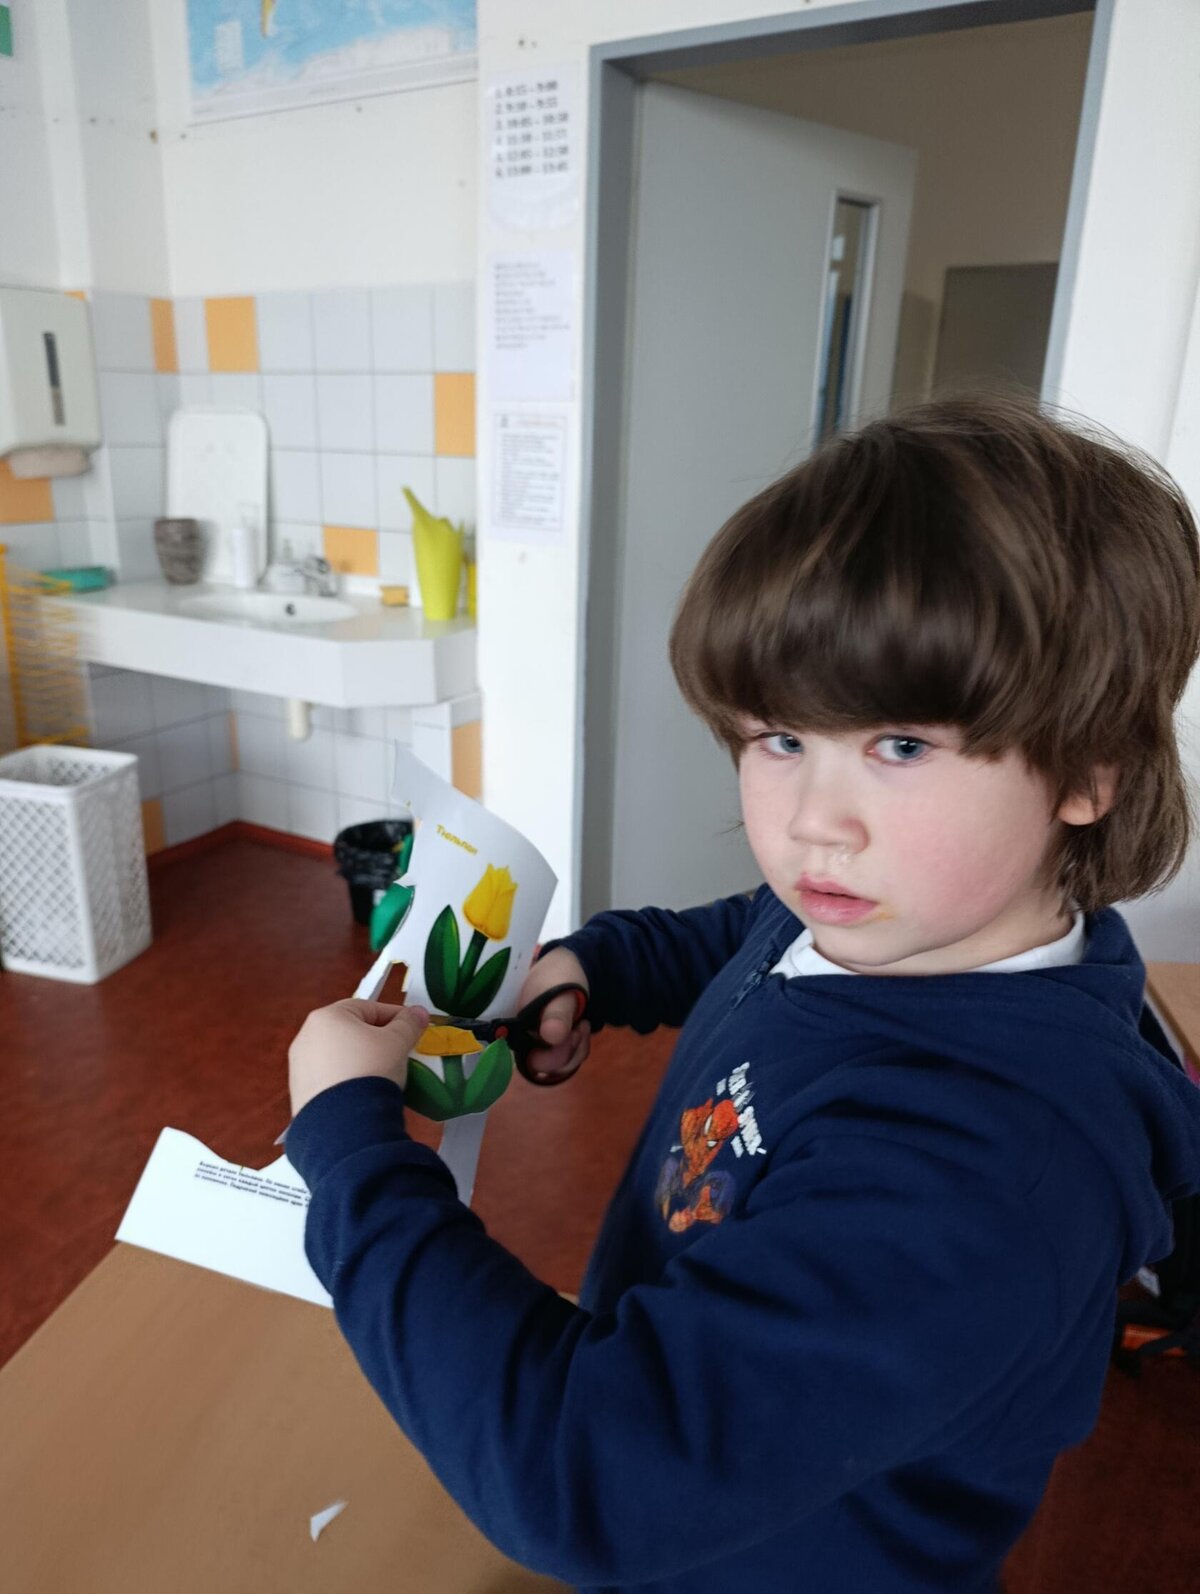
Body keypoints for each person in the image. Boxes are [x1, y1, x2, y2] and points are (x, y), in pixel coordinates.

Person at [286, 393, 1200, 1592]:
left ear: (1087, 770)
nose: (813, 822)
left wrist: (352, 1150)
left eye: (901, 745)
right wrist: (599, 967)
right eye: (778, 737)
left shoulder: (976, 1170)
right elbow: (746, 935)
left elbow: (579, 1473)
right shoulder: (893, 918)